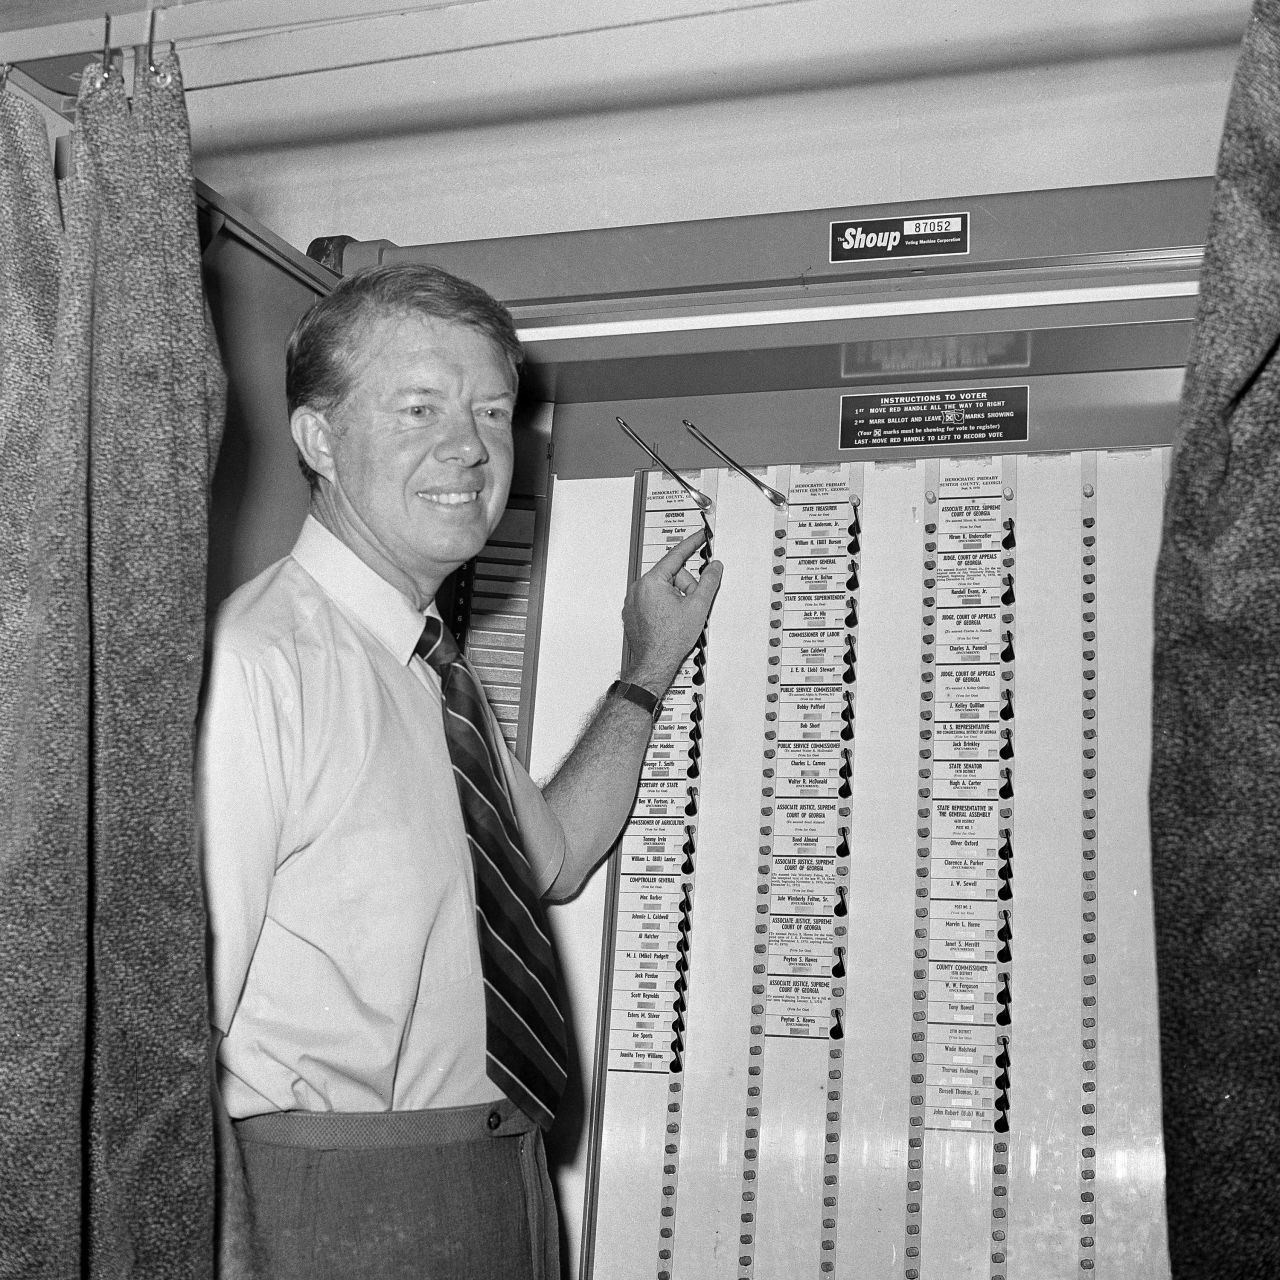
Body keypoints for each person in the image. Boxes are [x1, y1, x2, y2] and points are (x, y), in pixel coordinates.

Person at [197, 263, 721, 1279]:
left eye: (491, 409)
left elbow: (555, 857)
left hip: (493, 1174)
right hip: (322, 1201)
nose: (468, 446)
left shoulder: (432, 669)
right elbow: (178, 1035)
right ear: (318, 438)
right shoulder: (259, 665)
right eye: (419, 407)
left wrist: (647, 664)